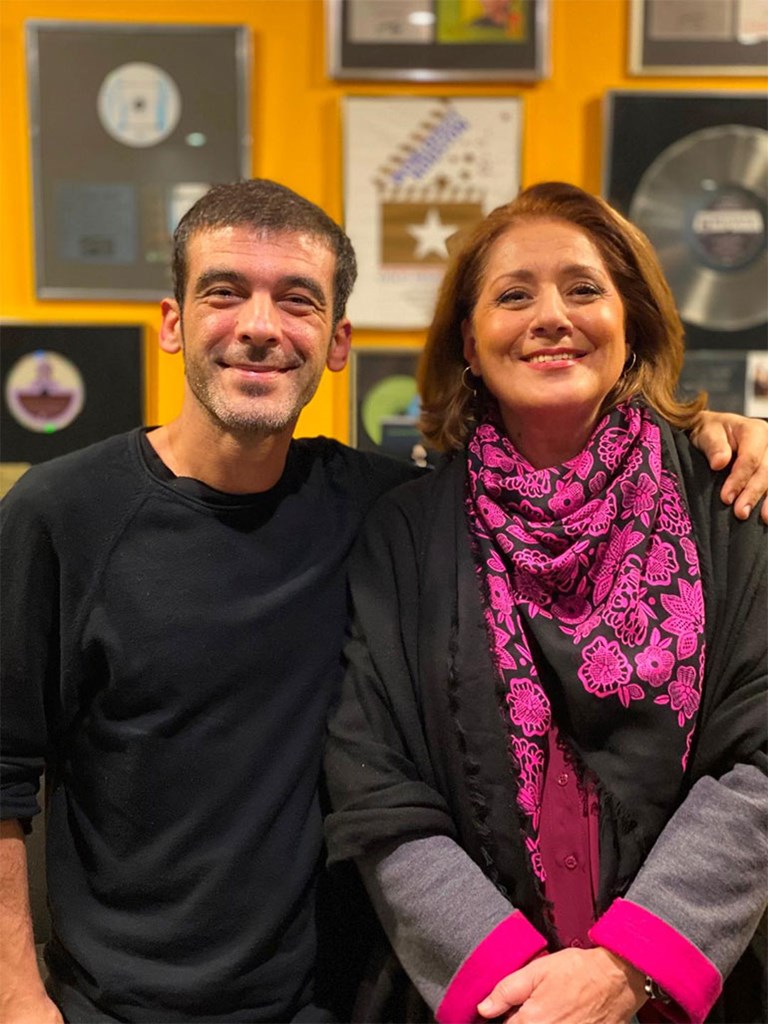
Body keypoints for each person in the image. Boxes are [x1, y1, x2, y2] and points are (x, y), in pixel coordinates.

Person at [0, 179, 765, 1024]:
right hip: (129, 1007)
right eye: (225, 292)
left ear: (338, 342)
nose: (260, 326)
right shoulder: (66, 515)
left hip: (344, 1000)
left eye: (298, 300)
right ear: (173, 322)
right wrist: (15, 998)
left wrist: (730, 431)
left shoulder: (380, 507)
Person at [323, 182, 767, 1024]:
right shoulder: (404, 533)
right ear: (469, 341)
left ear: (631, 324)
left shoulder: (731, 503)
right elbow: (374, 779)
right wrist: (521, 990)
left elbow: (762, 754)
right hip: (488, 999)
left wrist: (627, 970)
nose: (551, 317)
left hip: (685, 995)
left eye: (583, 288)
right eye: (514, 295)